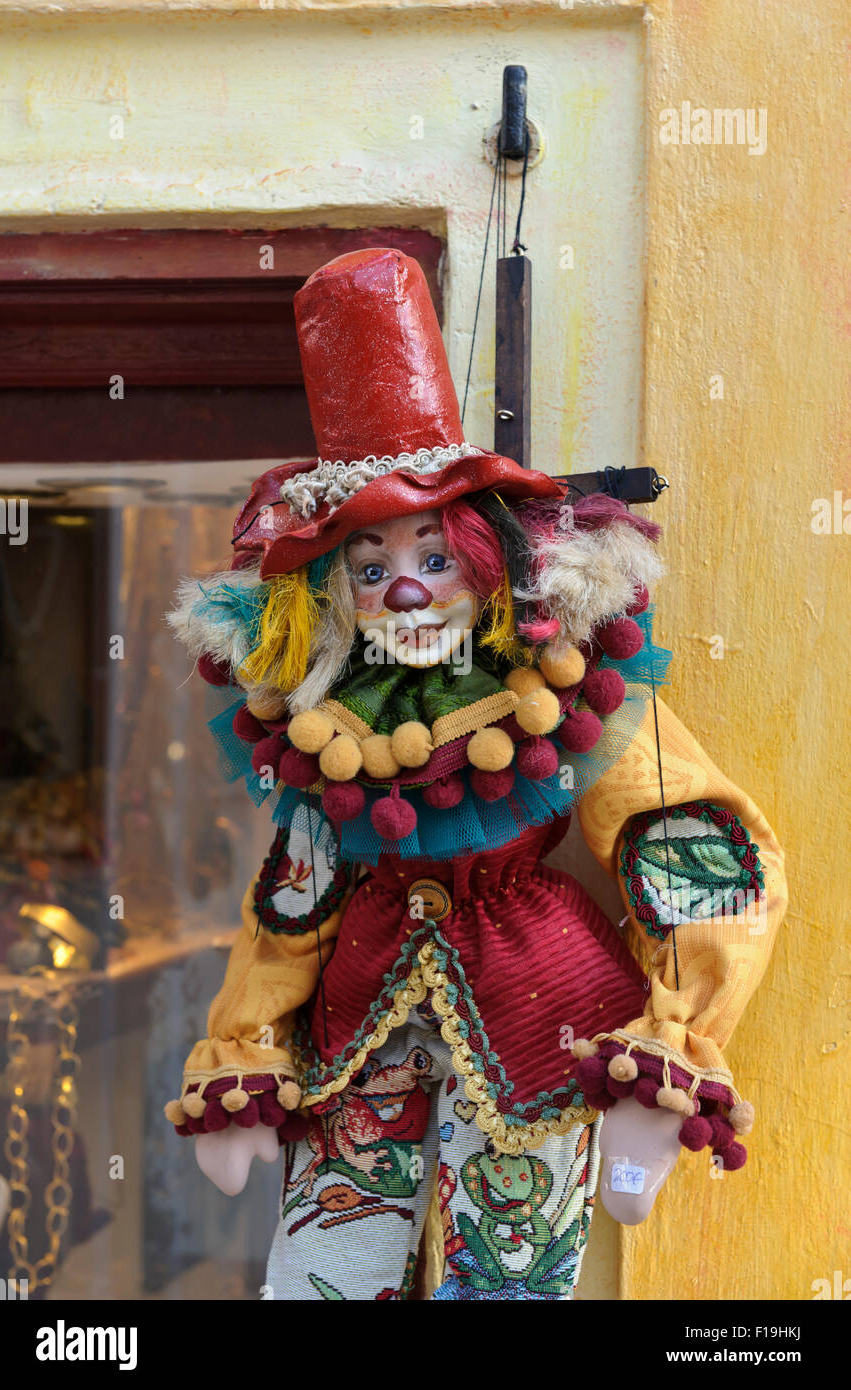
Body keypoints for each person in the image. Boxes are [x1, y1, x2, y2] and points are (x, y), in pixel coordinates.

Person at [165, 248, 787, 1300]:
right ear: (336, 596)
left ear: (485, 560)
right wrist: (245, 1047)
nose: (404, 591)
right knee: (321, 1266)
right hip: (355, 1037)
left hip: (541, 1012)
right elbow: (293, 899)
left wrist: (671, 1054)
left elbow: (681, 840)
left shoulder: (557, 684)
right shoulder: (329, 722)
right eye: (370, 570)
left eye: (432, 557)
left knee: (509, 1272)